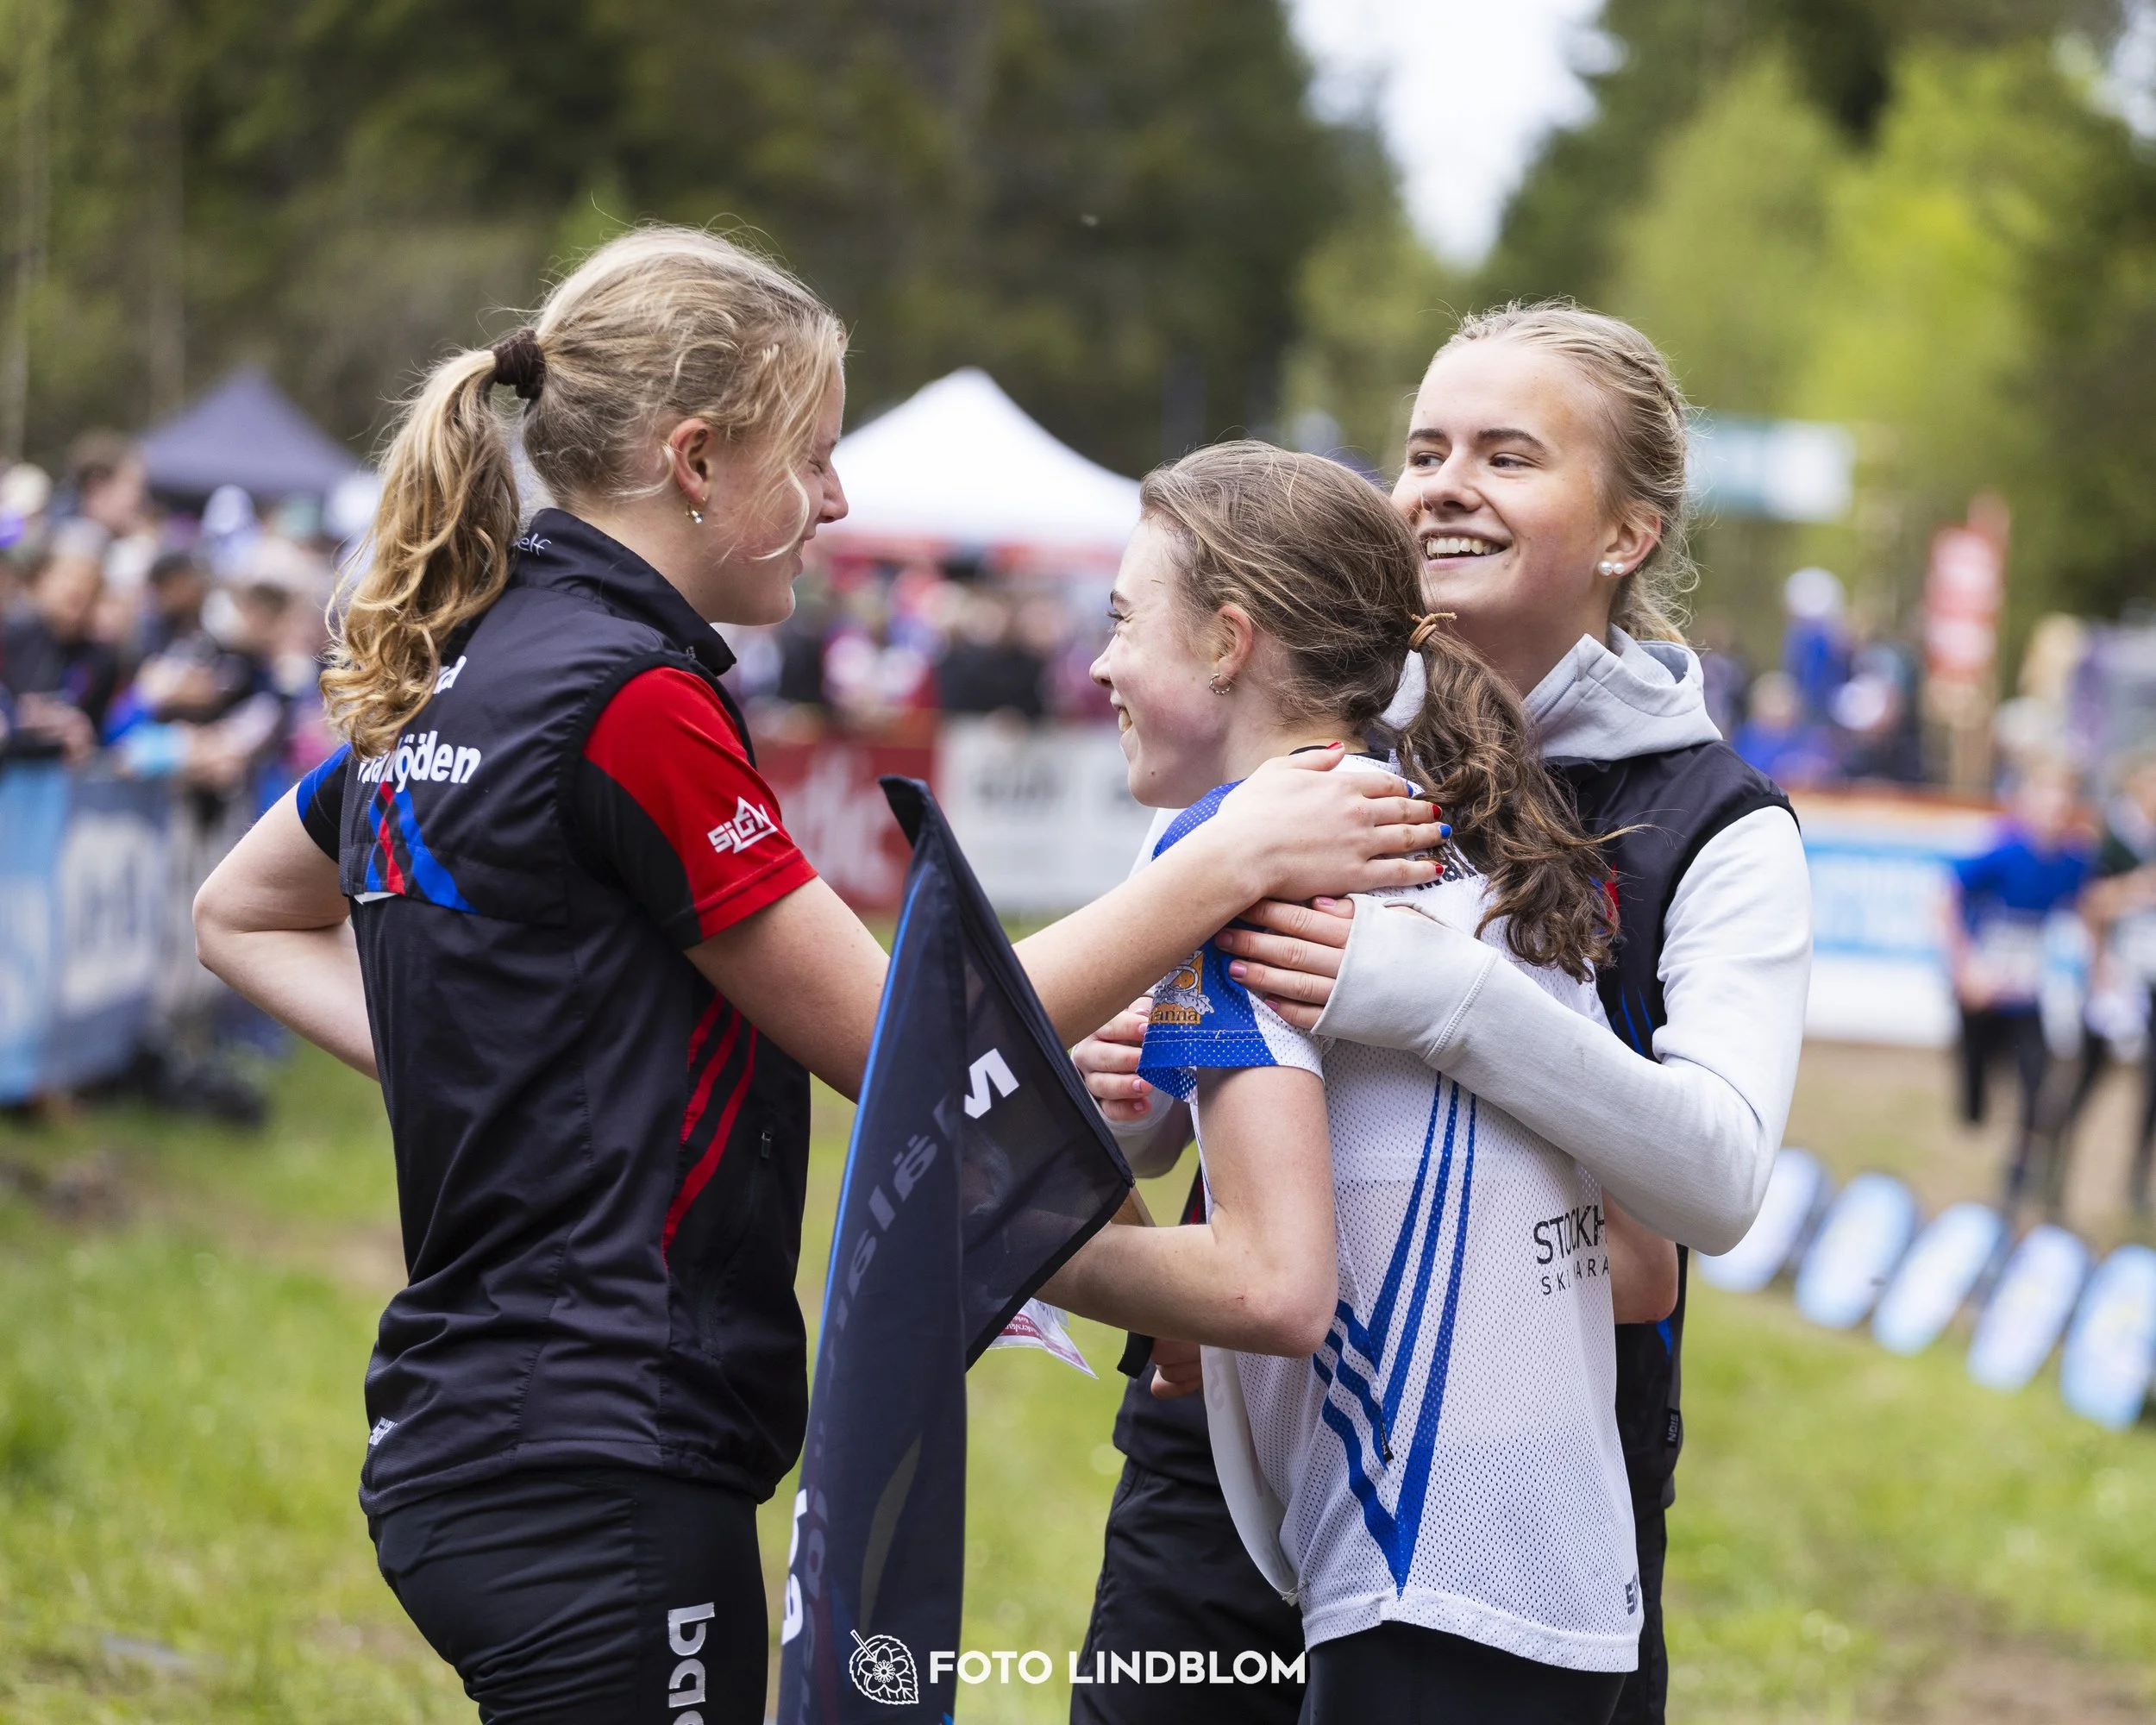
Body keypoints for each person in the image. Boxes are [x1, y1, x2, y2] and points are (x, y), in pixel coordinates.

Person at [191, 225, 1440, 1725]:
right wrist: (1224, 863)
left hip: (483, 1432)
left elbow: (239, 913)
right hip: (599, 1449)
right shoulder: (629, 699)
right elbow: (907, 1038)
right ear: (696, 461)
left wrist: (497, 1063)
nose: (838, 501)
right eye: (815, 457)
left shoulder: (478, 654)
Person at [1075, 304, 1811, 1725]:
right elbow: (1166, 1119)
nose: (1445, 487)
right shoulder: (1290, 739)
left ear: (1630, 532)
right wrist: (1130, 1072)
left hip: (1504, 1493)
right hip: (1219, 1452)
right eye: (1424, 451)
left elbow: (1713, 1186)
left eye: (1507, 455)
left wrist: (1445, 999)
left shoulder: (1715, 823)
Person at [1946, 762, 2095, 1212]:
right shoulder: (2002, 853)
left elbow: (2089, 907)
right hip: (1984, 991)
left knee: (2036, 1084)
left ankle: (2016, 1176)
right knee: (1974, 1095)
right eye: (2046, 802)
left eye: (2063, 804)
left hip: (2030, 994)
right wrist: (1965, 966)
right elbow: (1943, 897)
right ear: (2026, 805)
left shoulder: (2074, 862)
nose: (2054, 813)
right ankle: (1974, 1105)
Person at [2087, 751, 2156, 1211]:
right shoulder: (2113, 842)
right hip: (2116, 976)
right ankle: (2046, 1173)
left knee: (2150, 1091)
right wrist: (2137, 889)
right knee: (2086, 1080)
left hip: (2151, 978)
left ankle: (2137, 1182)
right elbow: (2091, 903)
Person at [0, 521, 120, 763]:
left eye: (88, 582)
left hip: (65, 772)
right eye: (68, 576)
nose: (76, 590)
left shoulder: (103, 659)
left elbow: (102, 733)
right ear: (43, 580)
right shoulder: (11, 638)